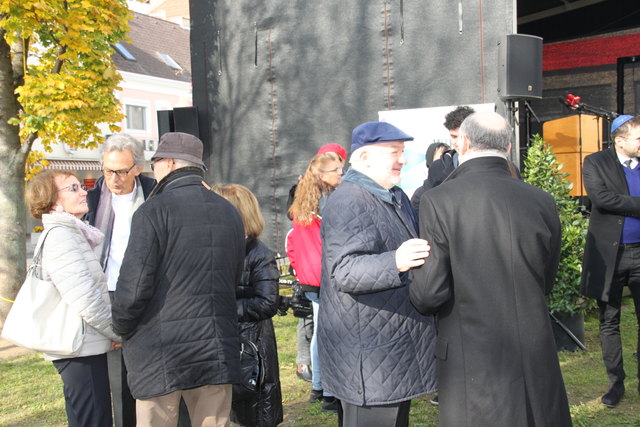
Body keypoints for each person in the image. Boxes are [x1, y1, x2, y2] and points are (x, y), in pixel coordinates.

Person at [409, 112, 572, 427]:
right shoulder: (541, 199)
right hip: (533, 343)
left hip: (471, 352)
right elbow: (546, 278)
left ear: (463, 143)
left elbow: (429, 293)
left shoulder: (439, 200)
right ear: (508, 147)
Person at [111, 132, 245, 427]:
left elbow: (134, 286)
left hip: (160, 350)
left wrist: (120, 326)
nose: (153, 169)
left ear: (169, 163)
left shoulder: (152, 211)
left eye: (155, 162)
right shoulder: (229, 211)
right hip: (215, 347)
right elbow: (234, 278)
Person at [317, 121, 437, 427]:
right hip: (369, 360)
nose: (403, 159)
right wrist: (396, 260)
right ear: (364, 157)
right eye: (394, 152)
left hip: (387, 354)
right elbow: (344, 271)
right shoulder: (349, 200)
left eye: (403, 151)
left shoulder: (393, 195)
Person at [26, 169, 121, 427]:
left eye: (81, 186)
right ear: (53, 200)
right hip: (79, 349)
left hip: (82, 346)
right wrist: (117, 332)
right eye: (73, 188)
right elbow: (85, 298)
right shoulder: (61, 236)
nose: (84, 192)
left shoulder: (71, 232)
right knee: (95, 419)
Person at [85, 133, 155, 427]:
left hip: (149, 291)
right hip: (109, 292)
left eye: (121, 171)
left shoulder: (155, 193)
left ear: (138, 168)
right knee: (118, 377)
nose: (113, 178)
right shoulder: (92, 199)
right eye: (107, 170)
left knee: (153, 371)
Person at [581, 114, 640, 408]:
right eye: (638, 139)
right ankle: (616, 383)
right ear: (619, 140)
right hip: (609, 256)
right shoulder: (595, 162)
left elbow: (614, 200)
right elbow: (602, 199)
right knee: (609, 321)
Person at [212, 183, 284, 427]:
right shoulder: (217, 249)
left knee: (254, 414)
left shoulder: (259, 254)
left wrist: (223, 309)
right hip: (224, 343)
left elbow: (267, 302)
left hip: (251, 346)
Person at [287, 149, 344, 412]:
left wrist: (300, 271)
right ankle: (329, 392)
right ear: (322, 175)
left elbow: (294, 244)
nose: (341, 174)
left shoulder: (303, 200)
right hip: (325, 277)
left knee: (320, 333)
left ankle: (320, 387)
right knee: (328, 335)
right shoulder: (326, 202)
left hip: (311, 278)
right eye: (337, 170)